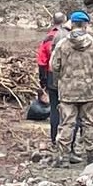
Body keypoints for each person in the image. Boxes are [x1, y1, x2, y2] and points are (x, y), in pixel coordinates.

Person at [49, 11, 93, 164]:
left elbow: (54, 66)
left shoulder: (62, 44)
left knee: (67, 123)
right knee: (89, 123)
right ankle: (91, 156)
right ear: (86, 24)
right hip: (88, 90)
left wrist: (58, 81)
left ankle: (63, 157)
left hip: (67, 90)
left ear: (72, 23)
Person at [36, 12, 67, 142]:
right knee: (69, 107)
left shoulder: (48, 37)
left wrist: (42, 80)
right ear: (65, 21)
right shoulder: (68, 36)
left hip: (51, 74)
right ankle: (68, 137)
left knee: (54, 108)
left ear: (53, 22)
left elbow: (42, 61)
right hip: (67, 76)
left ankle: (54, 138)